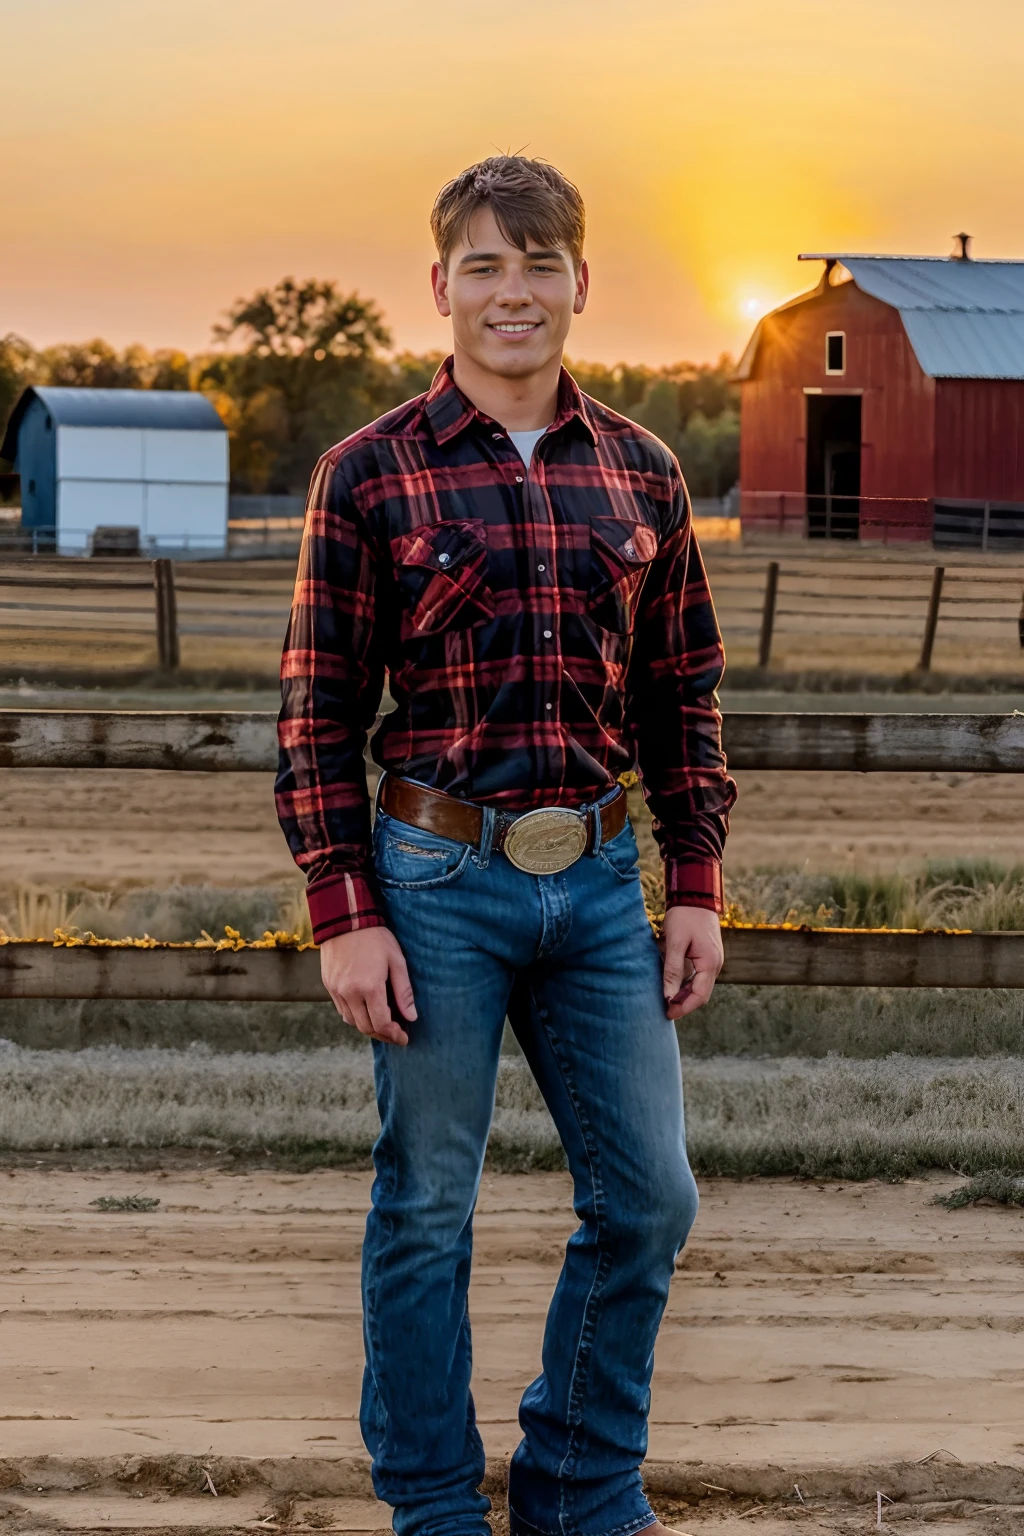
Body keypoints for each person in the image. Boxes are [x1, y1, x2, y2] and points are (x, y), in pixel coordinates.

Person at [276, 155, 737, 1536]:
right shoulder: (369, 475)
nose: (513, 291)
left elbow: (682, 692)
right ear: (440, 290)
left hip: (598, 882)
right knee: (429, 1208)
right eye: (484, 265)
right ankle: (432, 1505)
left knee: (649, 1200)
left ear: (581, 283)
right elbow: (316, 714)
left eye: (539, 263)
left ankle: (580, 1483)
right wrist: (344, 907)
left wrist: (694, 883)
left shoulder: (643, 472)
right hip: (433, 889)